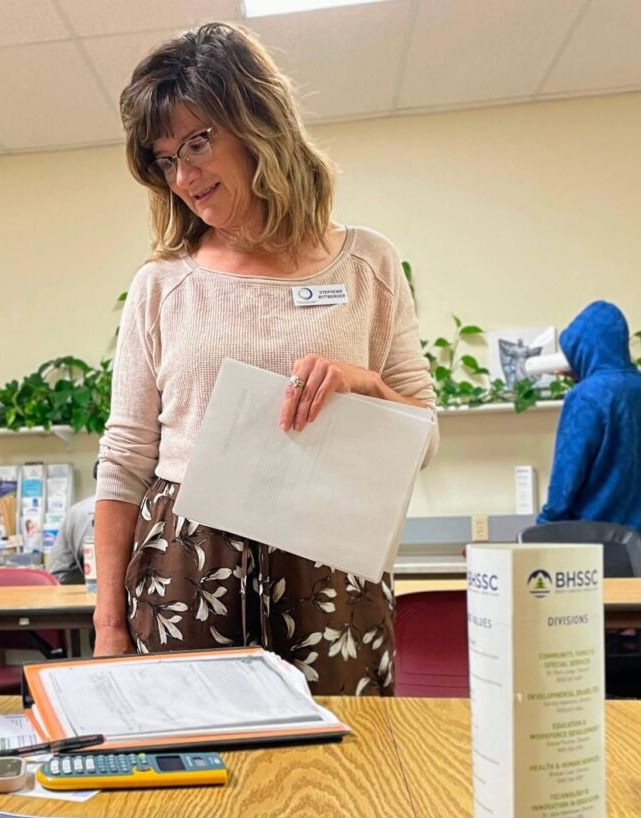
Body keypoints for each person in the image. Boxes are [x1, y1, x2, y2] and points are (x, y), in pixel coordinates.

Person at [95, 23, 438, 695]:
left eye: (198, 142)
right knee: (198, 778)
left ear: (257, 123)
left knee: (344, 773)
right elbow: (125, 458)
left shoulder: (368, 263)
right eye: (165, 159)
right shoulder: (163, 285)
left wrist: (363, 383)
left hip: (331, 567)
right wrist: (108, 626)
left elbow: (422, 438)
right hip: (187, 571)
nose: (185, 177)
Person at [538, 300, 641, 534]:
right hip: (632, 543)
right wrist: (581, 375)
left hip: (586, 543)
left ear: (584, 348)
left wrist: (546, 524)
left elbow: (567, 475)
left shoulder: (585, 396)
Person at [46, 462, 98, 584]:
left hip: (72, 588)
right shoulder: (90, 511)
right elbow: (100, 575)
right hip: (73, 592)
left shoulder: (81, 509)